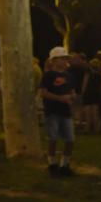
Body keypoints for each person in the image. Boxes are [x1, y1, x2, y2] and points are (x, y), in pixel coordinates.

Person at [40, 46, 77, 177]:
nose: (64, 61)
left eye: (65, 58)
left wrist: (72, 97)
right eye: (61, 58)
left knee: (70, 139)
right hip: (52, 110)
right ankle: (52, 164)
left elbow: (72, 92)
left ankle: (65, 164)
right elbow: (43, 92)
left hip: (65, 111)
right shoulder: (48, 75)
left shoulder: (69, 76)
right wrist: (60, 98)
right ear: (54, 61)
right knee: (53, 138)